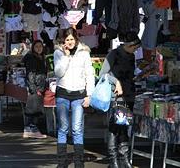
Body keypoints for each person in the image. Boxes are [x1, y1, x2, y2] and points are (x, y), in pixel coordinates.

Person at [54, 27, 95, 168]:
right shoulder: (58, 52)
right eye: (67, 39)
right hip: (62, 93)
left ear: (76, 39)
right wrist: (65, 57)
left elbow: (90, 74)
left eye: (72, 39)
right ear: (63, 40)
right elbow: (58, 73)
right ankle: (62, 161)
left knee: (77, 128)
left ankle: (79, 161)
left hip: (79, 94)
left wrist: (89, 95)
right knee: (63, 128)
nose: (70, 42)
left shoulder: (84, 53)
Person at [99, 32, 141, 168]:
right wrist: (115, 81)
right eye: (135, 47)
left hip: (129, 94)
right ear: (129, 45)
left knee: (124, 126)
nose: (136, 50)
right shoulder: (114, 54)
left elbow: (130, 75)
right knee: (115, 127)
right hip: (116, 95)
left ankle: (124, 158)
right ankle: (113, 159)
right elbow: (102, 74)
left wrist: (141, 75)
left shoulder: (131, 56)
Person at [21, 40, 48, 139]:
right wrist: (34, 89)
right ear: (33, 48)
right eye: (36, 47)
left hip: (38, 87)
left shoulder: (40, 57)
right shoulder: (32, 58)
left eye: (40, 46)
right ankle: (32, 129)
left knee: (33, 108)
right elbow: (30, 75)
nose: (39, 48)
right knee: (34, 109)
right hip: (36, 87)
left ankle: (29, 130)